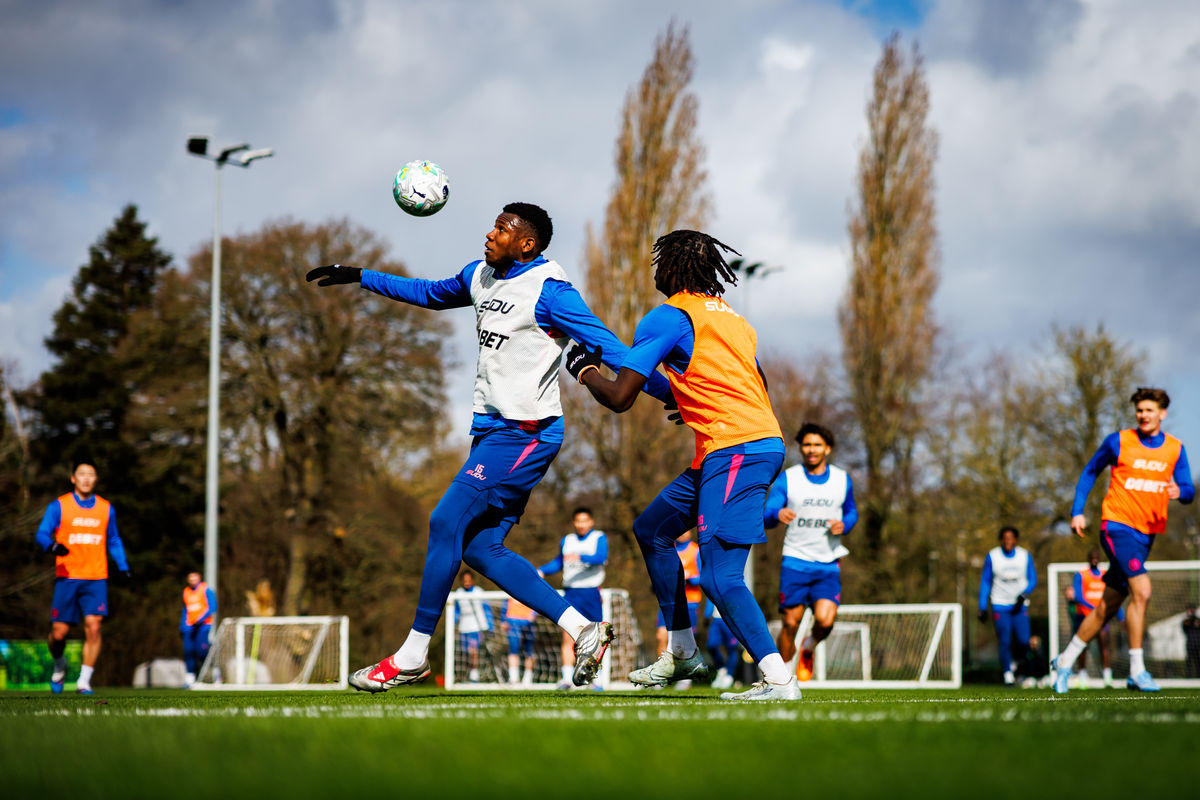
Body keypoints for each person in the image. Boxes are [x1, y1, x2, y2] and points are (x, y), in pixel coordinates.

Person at [306, 203, 672, 692]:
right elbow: (431, 294)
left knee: (444, 521)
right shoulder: (479, 275)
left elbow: (614, 349)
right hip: (492, 433)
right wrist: (360, 275)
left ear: (528, 244)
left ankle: (412, 654)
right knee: (480, 548)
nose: (490, 234)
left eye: (502, 229)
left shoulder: (551, 291)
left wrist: (674, 396)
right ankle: (582, 629)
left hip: (527, 434)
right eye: (494, 224)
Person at [566, 229, 799, 701]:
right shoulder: (733, 320)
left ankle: (780, 680)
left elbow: (620, 397)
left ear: (673, 269)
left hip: (735, 450)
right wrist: (690, 397)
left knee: (718, 576)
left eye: (659, 262)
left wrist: (585, 372)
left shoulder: (669, 316)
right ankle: (681, 649)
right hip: (744, 444)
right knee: (652, 529)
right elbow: (757, 384)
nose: (654, 271)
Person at [1052, 387, 1194, 693]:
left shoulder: (1175, 448)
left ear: (1162, 414)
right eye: (1139, 410)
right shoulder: (1119, 441)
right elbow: (1090, 471)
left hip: (1146, 534)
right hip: (1116, 526)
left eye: (1149, 410)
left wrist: (1179, 492)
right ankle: (1137, 671)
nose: (1143, 415)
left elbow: (1188, 488)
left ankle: (1064, 662)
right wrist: (1077, 511)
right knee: (1142, 590)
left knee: (1107, 606)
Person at [765, 422, 857, 682]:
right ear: (801, 448)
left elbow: (851, 511)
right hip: (795, 559)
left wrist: (845, 524)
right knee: (790, 623)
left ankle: (809, 646)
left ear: (827, 449)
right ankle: (782, 677)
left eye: (817, 444)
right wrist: (777, 513)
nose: (811, 449)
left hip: (828, 561)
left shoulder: (841, 479)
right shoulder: (789, 478)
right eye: (806, 444)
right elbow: (769, 510)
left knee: (826, 621)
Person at [34, 461, 130, 694]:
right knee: (59, 633)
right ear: (73, 478)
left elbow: (114, 539)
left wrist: (123, 564)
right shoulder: (59, 506)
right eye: (82, 474)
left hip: (96, 576)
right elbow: (42, 533)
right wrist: (52, 546)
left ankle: (84, 681)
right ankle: (59, 665)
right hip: (67, 576)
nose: (86, 478)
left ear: (96, 479)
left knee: (94, 627)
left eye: (91, 475)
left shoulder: (106, 508)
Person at [538, 507, 608, 689]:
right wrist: (541, 570)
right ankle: (566, 678)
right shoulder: (567, 540)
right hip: (571, 593)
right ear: (574, 522)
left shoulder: (598, 537)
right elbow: (559, 562)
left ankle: (596, 679)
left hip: (591, 593)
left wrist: (580, 556)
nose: (582, 524)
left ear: (591, 522)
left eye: (585, 520)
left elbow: (601, 557)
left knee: (595, 637)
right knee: (568, 636)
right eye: (578, 521)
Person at [978, 526, 1035, 685]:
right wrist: (982, 607)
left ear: (1016, 540)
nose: (1008, 541)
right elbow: (985, 582)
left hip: (1020, 606)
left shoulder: (1024, 556)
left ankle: (1015, 663)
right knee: (1004, 641)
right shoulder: (993, 556)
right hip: (1000, 605)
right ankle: (1007, 674)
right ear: (1002, 539)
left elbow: (1032, 579)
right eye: (1005, 538)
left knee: (1024, 641)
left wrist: (1023, 594)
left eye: (1011, 538)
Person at [649, 530, 701, 689]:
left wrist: (687, 578)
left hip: (689, 603)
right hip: (668, 601)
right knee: (661, 636)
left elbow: (702, 577)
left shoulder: (696, 550)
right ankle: (661, 675)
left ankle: (686, 676)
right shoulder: (667, 550)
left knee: (685, 640)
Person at [1064, 549, 1117, 688]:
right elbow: (1078, 596)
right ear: (1088, 558)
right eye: (1092, 557)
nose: (1095, 559)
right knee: (1082, 646)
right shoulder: (1081, 575)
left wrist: (1119, 612)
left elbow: (1112, 595)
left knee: (1104, 645)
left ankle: (1107, 677)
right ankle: (1082, 676)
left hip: (1101, 617)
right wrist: (1094, 607)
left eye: (1096, 557)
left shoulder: (1105, 575)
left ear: (1099, 559)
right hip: (1084, 616)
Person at [453, 571, 493, 682]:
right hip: (464, 627)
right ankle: (469, 673)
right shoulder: (458, 593)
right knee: (466, 653)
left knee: (473, 650)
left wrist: (490, 626)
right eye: (464, 580)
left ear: (472, 580)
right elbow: (456, 611)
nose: (467, 582)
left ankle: (474, 675)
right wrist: (453, 623)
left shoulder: (479, 592)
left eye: (469, 580)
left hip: (477, 627)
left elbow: (487, 609)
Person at [180, 571, 217, 688]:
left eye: (194, 579)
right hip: (189, 627)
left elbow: (212, 607)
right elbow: (185, 610)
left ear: (199, 579)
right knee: (188, 652)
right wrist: (183, 625)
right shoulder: (186, 592)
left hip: (203, 626)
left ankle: (214, 673)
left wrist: (200, 619)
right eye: (190, 579)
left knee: (202, 652)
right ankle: (190, 678)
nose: (192, 581)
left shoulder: (206, 590)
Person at [705, 598, 740, 690]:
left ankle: (729, 676)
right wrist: (707, 614)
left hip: (730, 617)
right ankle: (721, 670)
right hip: (716, 619)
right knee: (711, 645)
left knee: (732, 648)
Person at [503, 595, 537, 686]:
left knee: (528, 651)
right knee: (513, 649)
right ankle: (513, 678)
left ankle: (528, 677)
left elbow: (537, 601)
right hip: (512, 621)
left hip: (527, 621)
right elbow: (505, 603)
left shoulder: (531, 587)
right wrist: (503, 620)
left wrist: (533, 614)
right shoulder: (510, 585)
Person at [1183, 604, 1200, 679]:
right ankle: (1188, 676)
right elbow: (1185, 630)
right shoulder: (1186, 621)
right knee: (1189, 661)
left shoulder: (1198, 620)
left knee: (1197, 661)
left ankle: (1198, 676)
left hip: (1197, 643)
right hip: (1190, 643)